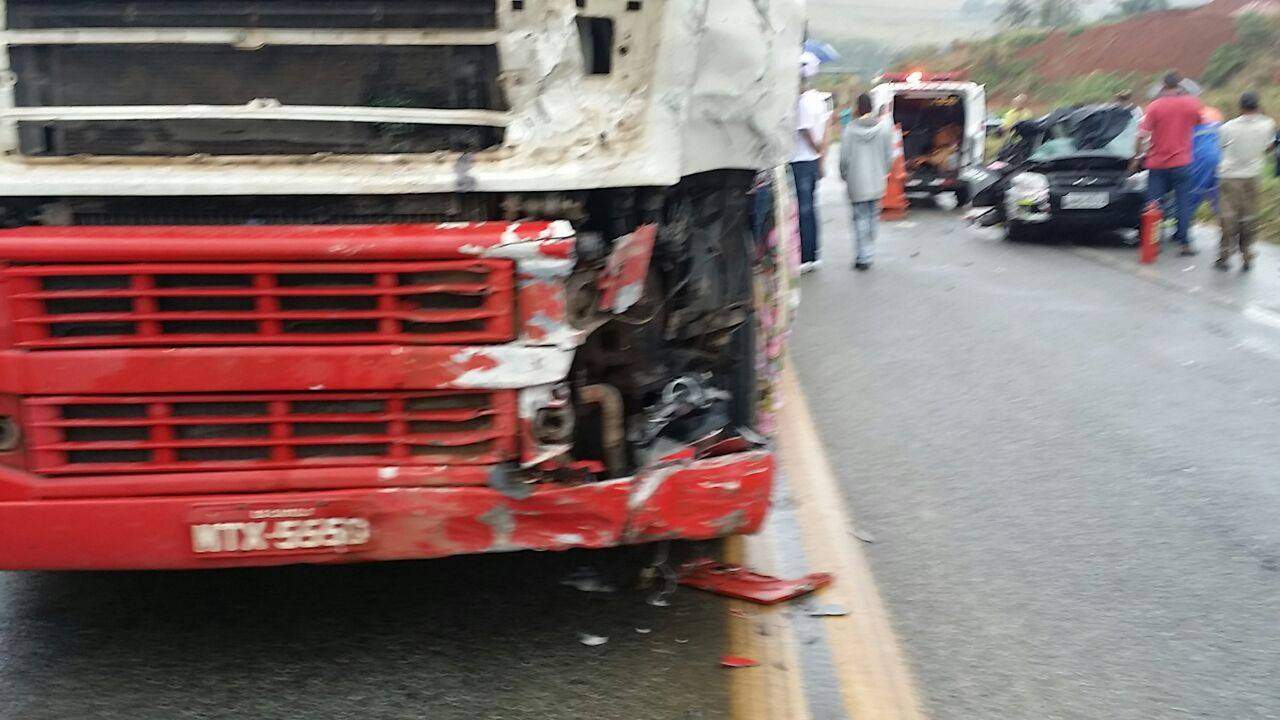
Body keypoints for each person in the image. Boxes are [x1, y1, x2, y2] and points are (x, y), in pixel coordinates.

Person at [1138, 72, 1205, 256]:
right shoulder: (1192, 104)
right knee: (1183, 202)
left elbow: (1142, 134)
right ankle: (1185, 244)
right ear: (1180, 85)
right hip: (1182, 162)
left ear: (1162, 85)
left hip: (1157, 163)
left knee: (1154, 204)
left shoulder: (1154, 106)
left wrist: (1137, 156)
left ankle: (1153, 242)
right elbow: (1198, 123)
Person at [1215, 91, 1277, 272]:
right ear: (1258, 106)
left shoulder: (1227, 127)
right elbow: (1269, 147)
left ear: (1240, 107)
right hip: (1253, 176)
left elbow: (1222, 146)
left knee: (1228, 217)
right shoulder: (1268, 124)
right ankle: (1247, 255)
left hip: (1229, 176)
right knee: (1249, 216)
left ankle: (1224, 256)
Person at [838, 93, 895, 271]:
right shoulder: (884, 129)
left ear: (857, 108)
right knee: (872, 217)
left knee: (859, 219)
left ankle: (863, 255)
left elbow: (844, 158)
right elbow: (889, 156)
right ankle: (867, 252)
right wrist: (883, 171)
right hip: (876, 180)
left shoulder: (849, 130)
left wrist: (845, 175)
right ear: (871, 107)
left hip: (856, 181)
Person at [792, 52, 828, 273]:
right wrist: (821, 156)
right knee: (811, 208)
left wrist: (815, 149)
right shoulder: (819, 100)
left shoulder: (803, 102)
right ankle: (814, 253)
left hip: (801, 161)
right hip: (812, 162)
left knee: (802, 209)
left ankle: (805, 256)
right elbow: (827, 128)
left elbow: (805, 129)